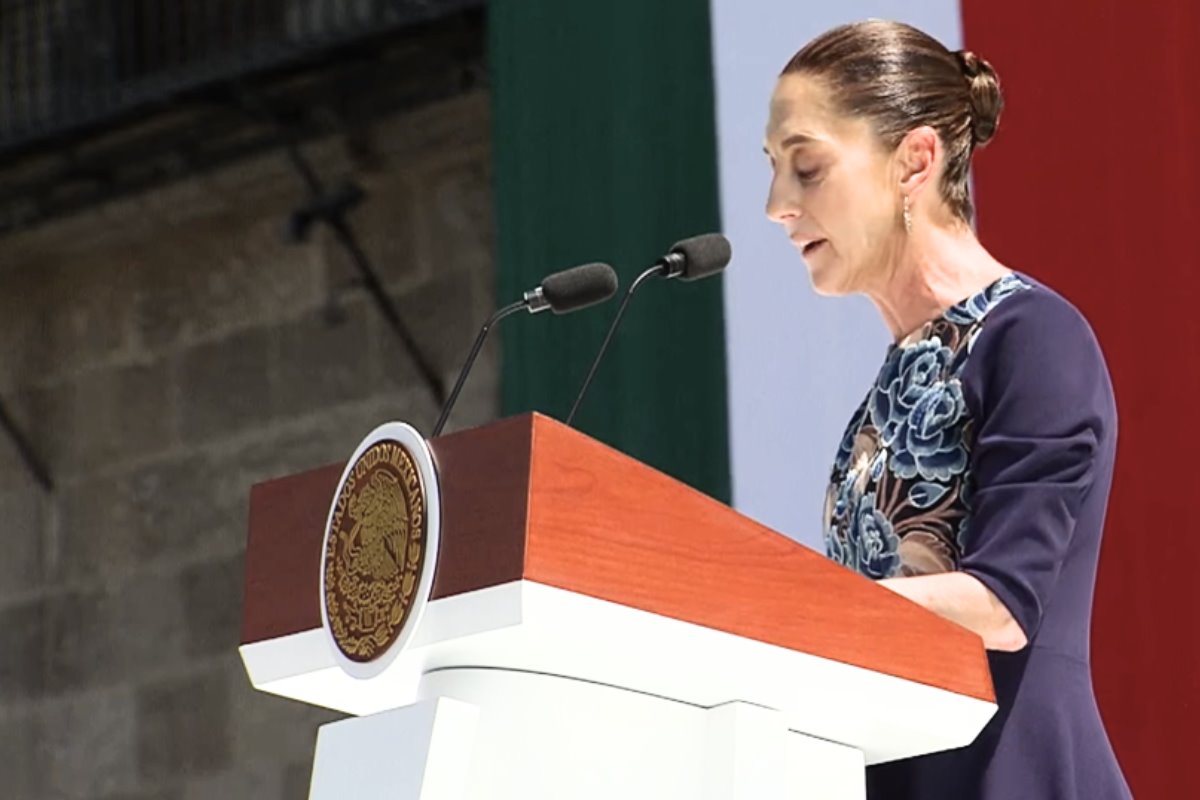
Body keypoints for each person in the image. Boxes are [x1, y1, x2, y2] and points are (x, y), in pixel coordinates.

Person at [762, 19, 1131, 800]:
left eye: (806, 167)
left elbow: (1002, 602)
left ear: (915, 160)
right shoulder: (893, 379)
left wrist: (778, 603)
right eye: (774, 171)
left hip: (1013, 774)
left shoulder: (1033, 337)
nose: (776, 206)